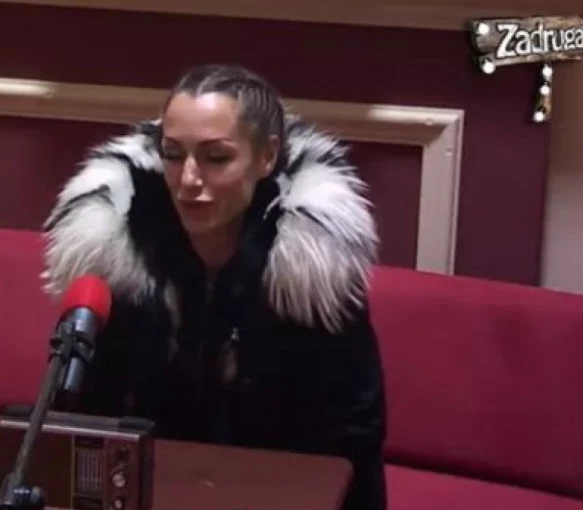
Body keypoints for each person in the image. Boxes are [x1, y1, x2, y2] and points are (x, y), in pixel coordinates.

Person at [42, 64, 387, 510]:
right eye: (172, 154)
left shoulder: (314, 275)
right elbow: (81, 417)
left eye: (216, 158)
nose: (188, 179)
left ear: (266, 157)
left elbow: (353, 440)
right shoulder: (117, 257)